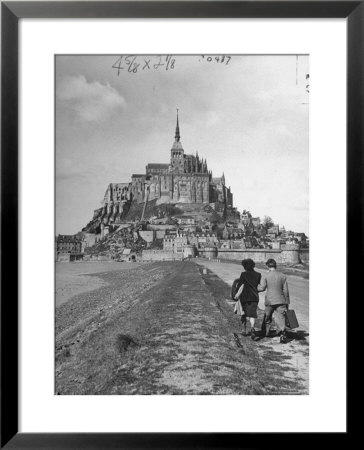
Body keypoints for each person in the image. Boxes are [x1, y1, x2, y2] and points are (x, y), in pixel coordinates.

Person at [258, 258, 290, 343]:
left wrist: (254, 288)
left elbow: (262, 288)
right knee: (281, 317)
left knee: (267, 316)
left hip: (270, 300)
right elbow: (286, 291)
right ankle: (282, 333)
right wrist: (287, 302)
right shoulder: (283, 276)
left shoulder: (265, 276)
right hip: (281, 300)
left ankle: (266, 332)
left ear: (268, 266)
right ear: (275, 265)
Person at [234, 258, 261, 340]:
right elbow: (257, 286)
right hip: (254, 297)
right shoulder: (258, 275)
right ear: (253, 265)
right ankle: (252, 328)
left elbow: (240, 285)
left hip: (244, 296)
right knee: (252, 314)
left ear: (244, 266)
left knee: (243, 313)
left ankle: (244, 330)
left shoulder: (243, 274)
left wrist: (236, 294)